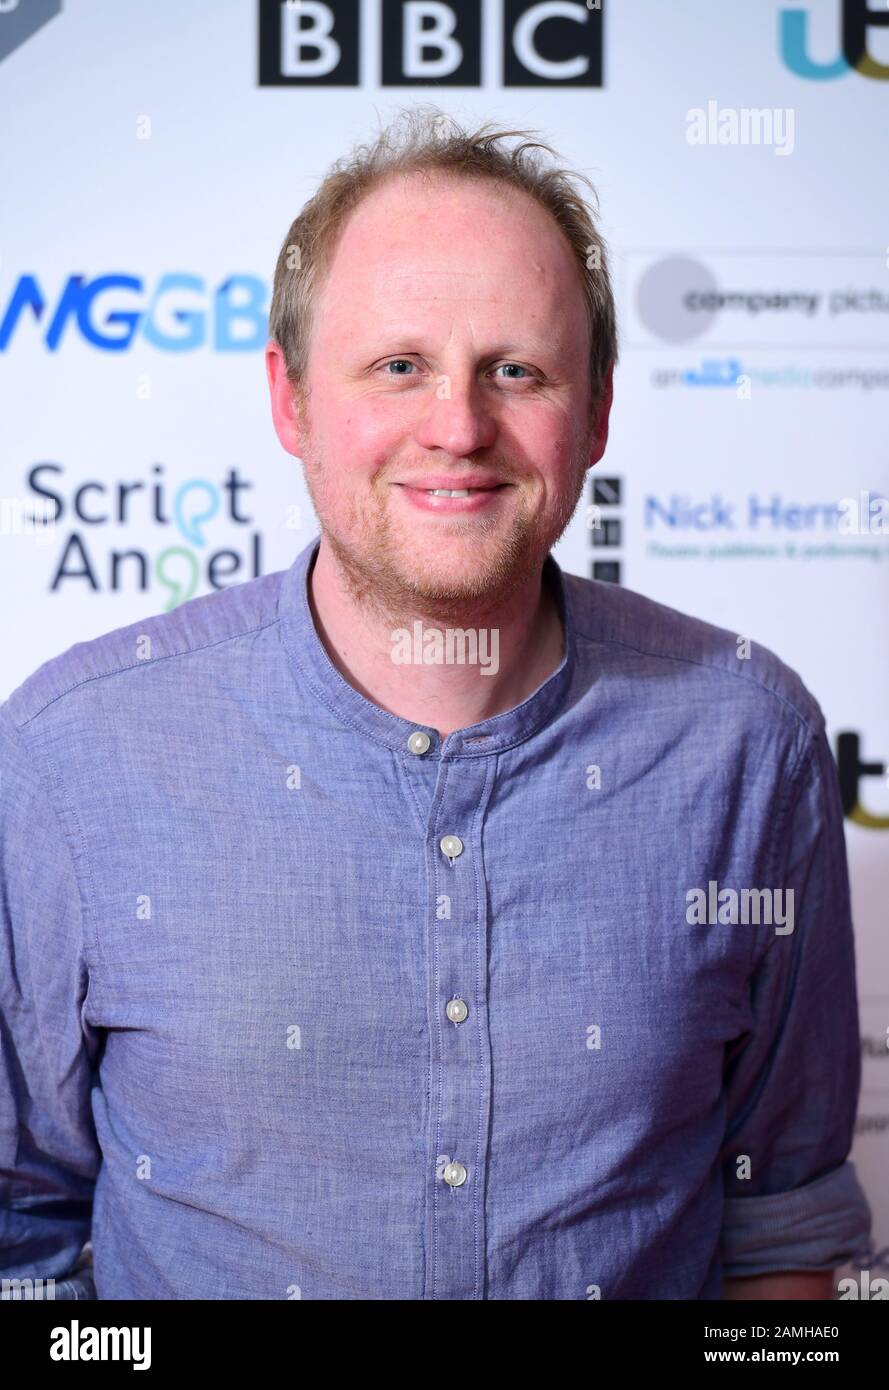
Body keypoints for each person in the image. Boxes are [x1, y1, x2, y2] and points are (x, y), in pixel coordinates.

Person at [0, 107, 871, 1301]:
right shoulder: (71, 756)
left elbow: (781, 1230)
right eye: (398, 365)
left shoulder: (747, 743)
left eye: (517, 369)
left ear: (599, 411)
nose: (458, 428)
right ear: (292, 400)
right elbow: (19, 1240)